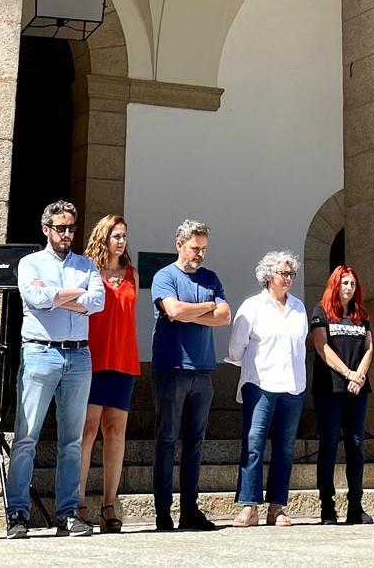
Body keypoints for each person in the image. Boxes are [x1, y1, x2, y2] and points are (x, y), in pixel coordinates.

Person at [5, 201, 105, 539]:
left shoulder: (86, 264)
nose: (66, 234)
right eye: (60, 228)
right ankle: (18, 512)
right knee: (26, 436)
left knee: (73, 440)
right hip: (40, 352)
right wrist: (74, 297)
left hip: (78, 356)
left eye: (71, 228)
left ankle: (67, 513)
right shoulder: (29, 263)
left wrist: (56, 297)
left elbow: (98, 302)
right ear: (46, 229)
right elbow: (34, 297)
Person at [150, 220, 231, 531]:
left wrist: (193, 310)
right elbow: (173, 312)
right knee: (167, 440)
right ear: (179, 245)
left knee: (195, 442)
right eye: (195, 248)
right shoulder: (164, 277)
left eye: (204, 249)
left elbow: (225, 317)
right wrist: (206, 306)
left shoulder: (210, 278)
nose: (200, 254)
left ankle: (189, 509)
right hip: (172, 368)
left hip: (203, 369)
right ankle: (162, 511)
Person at [226, 251, 308, 527]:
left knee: (285, 448)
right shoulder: (252, 306)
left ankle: (277, 506)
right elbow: (236, 347)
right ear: (268, 276)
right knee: (254, 445)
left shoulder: (298, 307)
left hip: (293, 386)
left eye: (291, 274)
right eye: (283, 274)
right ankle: (249, 506)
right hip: (260, 384)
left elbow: (301, 345)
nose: (288, 279)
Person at [77, 215, 139, 534]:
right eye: (116, 235)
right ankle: (79, 503)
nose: (121, 241)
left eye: (124, 236)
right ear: (104, 237)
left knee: (115, 432)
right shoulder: (88, 269)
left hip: (124, 360)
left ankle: (109, 504)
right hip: (93, 358)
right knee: (88, 431)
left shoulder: (132, 274)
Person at [310, 265, 374, 525]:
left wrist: (359, 376)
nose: (349, 288)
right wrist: (348, 373)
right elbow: (321, 346)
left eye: (352, 284)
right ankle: (327, 506)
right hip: (330, 388)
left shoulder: (361, 314)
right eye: (344, 283)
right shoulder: (321, 311)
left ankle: (355, 506)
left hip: (357, 389)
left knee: (356, 447)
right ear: (335, 284)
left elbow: (370, 348)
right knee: (327, 446)